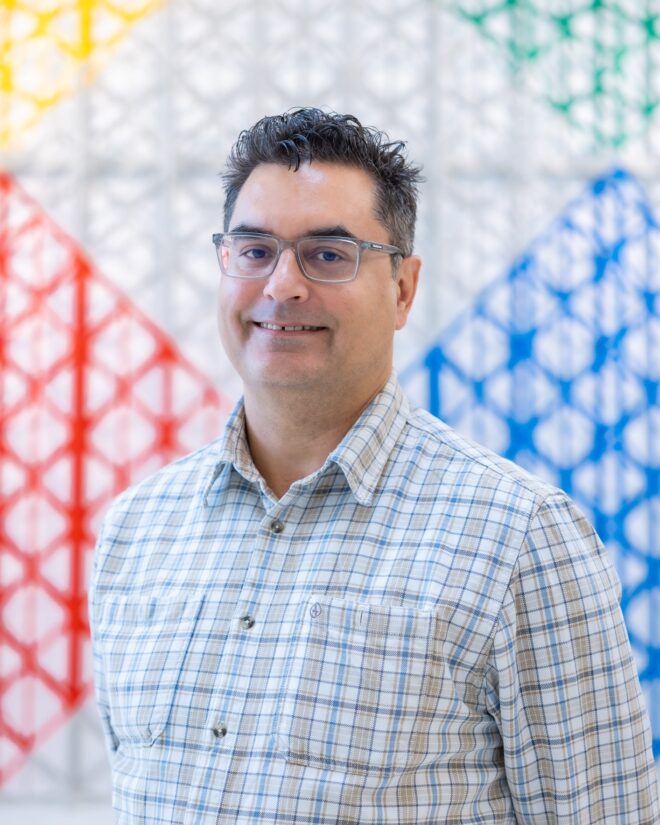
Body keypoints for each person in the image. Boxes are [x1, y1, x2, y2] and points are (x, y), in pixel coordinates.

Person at [89, 108, 659, 824]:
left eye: (329, 255)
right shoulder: (139, 532)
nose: (282, 285)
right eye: (254, 249)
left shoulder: (520, 538)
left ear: (402, 289)